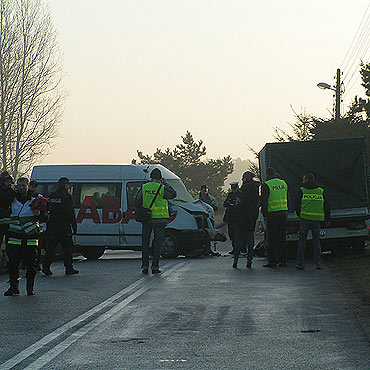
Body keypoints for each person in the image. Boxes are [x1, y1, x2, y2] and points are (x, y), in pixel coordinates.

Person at [1, 177, 46, 296]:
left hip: (30, 236)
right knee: (13, 263)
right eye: (19, 185)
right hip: (14, 234)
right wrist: (11, 191)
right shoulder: (12, 198)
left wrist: (39, 214)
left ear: (28, 186)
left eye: (23, 185)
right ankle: (13, 287)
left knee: (31, 264)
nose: (21, 188)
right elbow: (3, 203)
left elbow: (45, 217)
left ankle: (30, 287)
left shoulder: (36, 199)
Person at [135, 168, 176, 274]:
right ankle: (155, 267)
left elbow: (137, 201)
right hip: (160, 220)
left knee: (145, 243)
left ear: (151, 177)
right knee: (158, 244)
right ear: (160, 177)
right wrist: (166, 184)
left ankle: (144, 266)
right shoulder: (162, 188)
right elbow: (173, 194)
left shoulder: (144, 187)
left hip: (147, 219)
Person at [42, 177, 79, 276]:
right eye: (67, 184)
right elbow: (70, 212)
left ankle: (46, 267)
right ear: (65, 185)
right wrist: (74, 226)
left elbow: (46, 210)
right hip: (64, 226)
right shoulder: (67, 196)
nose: (68, 186)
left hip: (52, 226)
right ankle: (69, 267)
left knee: (51, 248)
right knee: (67, 248)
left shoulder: (52, 196)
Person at [295, 173, 330, 270]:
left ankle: (300, 262)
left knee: (302, 242)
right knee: (316, 242)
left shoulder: (301, 190)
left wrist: (299, 214)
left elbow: (296, 204)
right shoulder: (320, 191)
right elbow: (326, 206)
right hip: (317, 220)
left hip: (304, 219)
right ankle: (318, 262)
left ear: (305, 180)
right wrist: (327, 218)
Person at [260, 167, 288, 268]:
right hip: (283, 213)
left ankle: (272, 261)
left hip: (272, 215)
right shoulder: (283, 183)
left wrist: (265, 215)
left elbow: (264, 202)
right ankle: (283, 260)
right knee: (282, 238)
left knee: (271, 239)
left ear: (267, 174)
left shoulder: (266, 185)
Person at [232, 172, 260, 269]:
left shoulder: (243, 190)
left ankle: (235, 261)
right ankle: (249, 261)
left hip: (241, 219)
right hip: (251, 219)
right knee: (250, 241)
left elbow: (239, 203)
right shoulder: (256, 189)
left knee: (238, 240)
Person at [223, 182, 241, 255]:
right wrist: (229, 202)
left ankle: (239, 249)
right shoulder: (230, 195)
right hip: (230, 217)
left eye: (234, 188)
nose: (233, 190)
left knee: (238, 234)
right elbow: (224, 204)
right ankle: (234, 248)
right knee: (232, 234)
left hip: (238, 217)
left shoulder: (241, 194)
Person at [0, 171, 13, 248]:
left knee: (10, 244)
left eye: (10, 182)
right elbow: (4, 201)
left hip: (10, 224)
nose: (9, 183)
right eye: (7, 182)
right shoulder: (9, 193)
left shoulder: (11, 191)